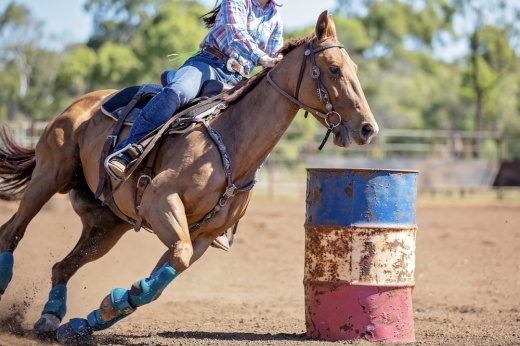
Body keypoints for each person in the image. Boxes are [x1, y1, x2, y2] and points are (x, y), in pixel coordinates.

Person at [107, 0, 284, 178]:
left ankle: (243, 182)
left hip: (238, 78)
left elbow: (276, 54)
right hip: (208, 63)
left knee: (259, 125)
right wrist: (262, 59)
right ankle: (126, 151)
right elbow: (236, 34)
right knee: (177, 92)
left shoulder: (274, 16)